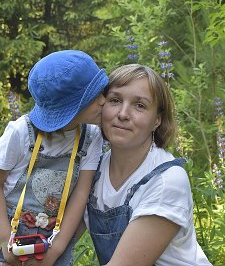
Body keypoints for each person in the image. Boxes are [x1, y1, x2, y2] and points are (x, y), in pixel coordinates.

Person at [0, 50, 109, 266]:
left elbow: (81, 194)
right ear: (69, 108)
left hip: (56, 238)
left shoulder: (91, 136)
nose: (104, 101)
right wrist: (6, 242)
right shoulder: (20, 132)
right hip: (11, 233)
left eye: (102, 92)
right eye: (93, 97)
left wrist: (56, 250)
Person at [85, 64, 212, 265]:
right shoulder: (94, 170)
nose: (123, 114)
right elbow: (62, 237)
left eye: (140, 105)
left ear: (157, 120)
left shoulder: (166, 181)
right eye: (115, 100)